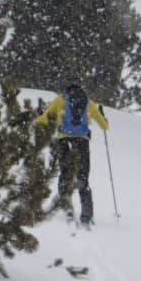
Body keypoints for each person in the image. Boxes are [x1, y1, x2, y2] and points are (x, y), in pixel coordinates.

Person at [34, 82, 109, 226]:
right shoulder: (89, 104)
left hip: (63, 141)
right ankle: (86, 214)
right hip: (82, 142)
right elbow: (105, 126)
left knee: (65, 174)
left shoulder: (60, 100)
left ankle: (66, 207)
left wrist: (39, 114)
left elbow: (43, 119)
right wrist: (103, 117)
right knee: (83, 177)